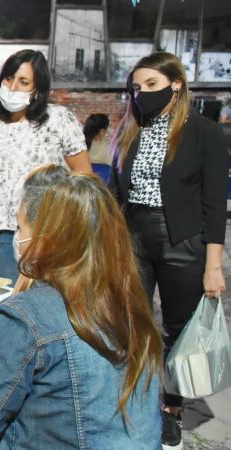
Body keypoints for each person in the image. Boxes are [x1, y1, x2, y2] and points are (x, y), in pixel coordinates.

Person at [0, 165, 162, 449]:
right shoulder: (129, 305)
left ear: (47, 239)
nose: (16, 238)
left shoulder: (25, 321)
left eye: (20, 227)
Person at [109, 51, 228, 449]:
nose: (141, 94)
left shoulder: (204, 132)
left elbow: (214, 204)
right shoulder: (130, 128)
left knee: (178, 330)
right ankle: (135, 398)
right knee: (131, 323)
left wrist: (214, 265)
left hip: (183, 240)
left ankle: (171, 409)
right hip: (133, 235)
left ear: (176, 84)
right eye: (136, 88)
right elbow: (115, 192)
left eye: (151, 86)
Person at [0, 49, 91, 284]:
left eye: (23, 82)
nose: (13, 87)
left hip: (48, 233)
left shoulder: (58, 119)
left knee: (50, 302)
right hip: (2, 234)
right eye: (9, 79)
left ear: (37, 89)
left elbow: (84, 177)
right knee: (12, 304)